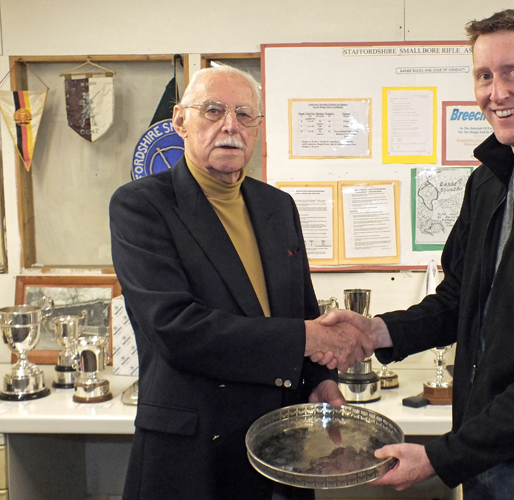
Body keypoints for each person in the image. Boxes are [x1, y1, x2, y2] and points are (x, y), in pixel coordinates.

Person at [319, 9, 514, 500]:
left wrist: (441, 457)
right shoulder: (489, 180)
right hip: (489, 455)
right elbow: (458, 299)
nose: (497, 92)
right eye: (484, 75)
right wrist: (379, 331)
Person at [109, 65, 373, 500]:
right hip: (192, 455)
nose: (230, 125)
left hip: (280, 450)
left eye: (245, 115)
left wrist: (319, 381)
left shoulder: (278, 206)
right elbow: (176, 328)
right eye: (213, 111)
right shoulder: (141, 206)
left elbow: (302, 311)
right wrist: (304, 338)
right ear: (180, 121)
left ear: (257, 128)